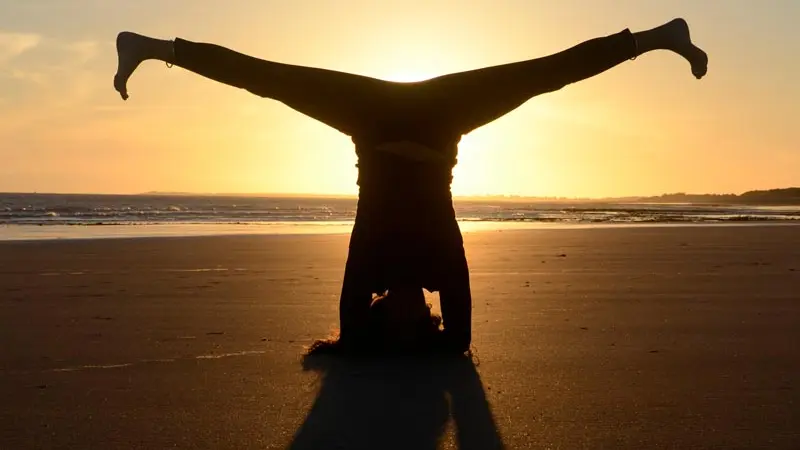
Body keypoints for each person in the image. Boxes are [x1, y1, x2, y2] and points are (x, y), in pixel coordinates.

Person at [114, 18, 707, 354]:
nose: (406, 307)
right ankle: (659, 37)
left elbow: (347, 328)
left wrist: (355, 347)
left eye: (389, 318)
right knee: (542, 75)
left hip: (370, 117)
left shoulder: (367, 263)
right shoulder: (440, 261)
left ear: (378, 317)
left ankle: (153, 48)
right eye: (418, 316)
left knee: (268, 79)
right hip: (442, 114)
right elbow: (464, 335)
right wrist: (448, 351)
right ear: (427, 317)